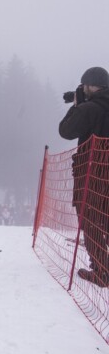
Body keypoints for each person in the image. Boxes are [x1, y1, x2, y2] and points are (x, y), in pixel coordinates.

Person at [58, 66, 109, 287]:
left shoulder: (89, 109)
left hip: (91, 172)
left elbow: (65, 131)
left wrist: (77, 106)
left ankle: (102, 271)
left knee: (90, 220)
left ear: (89, 86)